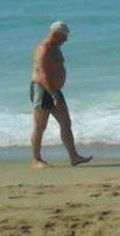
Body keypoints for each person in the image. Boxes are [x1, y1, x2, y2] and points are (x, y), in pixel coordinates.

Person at [30, 21, 91, 168]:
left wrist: (56, 91)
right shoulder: (44, 49)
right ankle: (36, 160)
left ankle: (74, 157)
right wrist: (53, 94)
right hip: (43, 90)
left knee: (66, 123)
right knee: (40, 126)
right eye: (64, 36)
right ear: (56, 35)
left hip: (55, 90)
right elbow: (42, 74)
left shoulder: (55, 48)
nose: (66, 39)